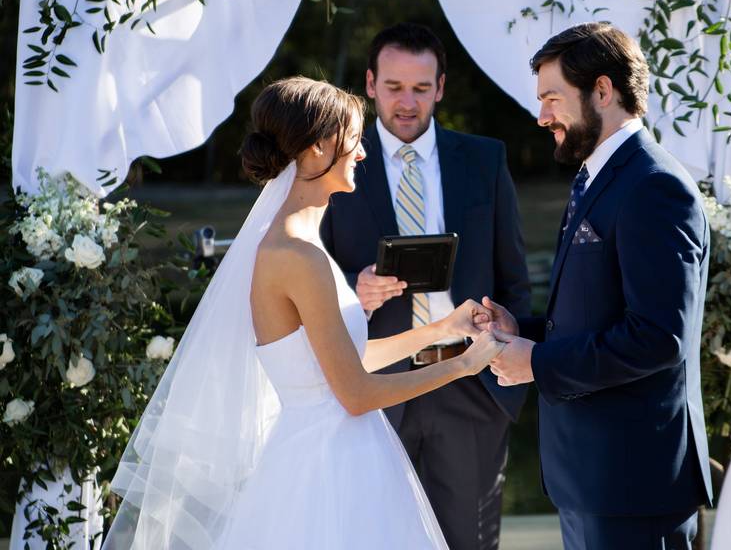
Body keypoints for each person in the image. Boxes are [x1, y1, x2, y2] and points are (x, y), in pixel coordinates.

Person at [103, 77, 503, 549]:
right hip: (326, 471)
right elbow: (355, 394)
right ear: (317, 147)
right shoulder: (296, 254)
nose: (361, 153)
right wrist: (463, 365)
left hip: (338, 453)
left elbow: (342, 362)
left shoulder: (301, 243)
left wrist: (443, 328)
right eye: (353, 139)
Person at [479, 23, 713, 550]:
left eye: (553, 99)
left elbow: (658, 336)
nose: (542, 117)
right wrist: (525, 332)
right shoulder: (597, 177)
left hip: (633, 482)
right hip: (589, 478)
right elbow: (598, 314)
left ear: (603, 91)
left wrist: (535, 362)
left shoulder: (654, 186)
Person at [320, 23, 531, 550]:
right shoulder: (332, 163)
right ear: (369, 84)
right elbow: (306, 269)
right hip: (371, 392)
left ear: (440, 87)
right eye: (393, 87)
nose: (406, 102)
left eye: (420, 88)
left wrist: (505, 363)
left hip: (470, 388)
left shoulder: (486, 159)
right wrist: (353, 290)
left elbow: (514, 277)